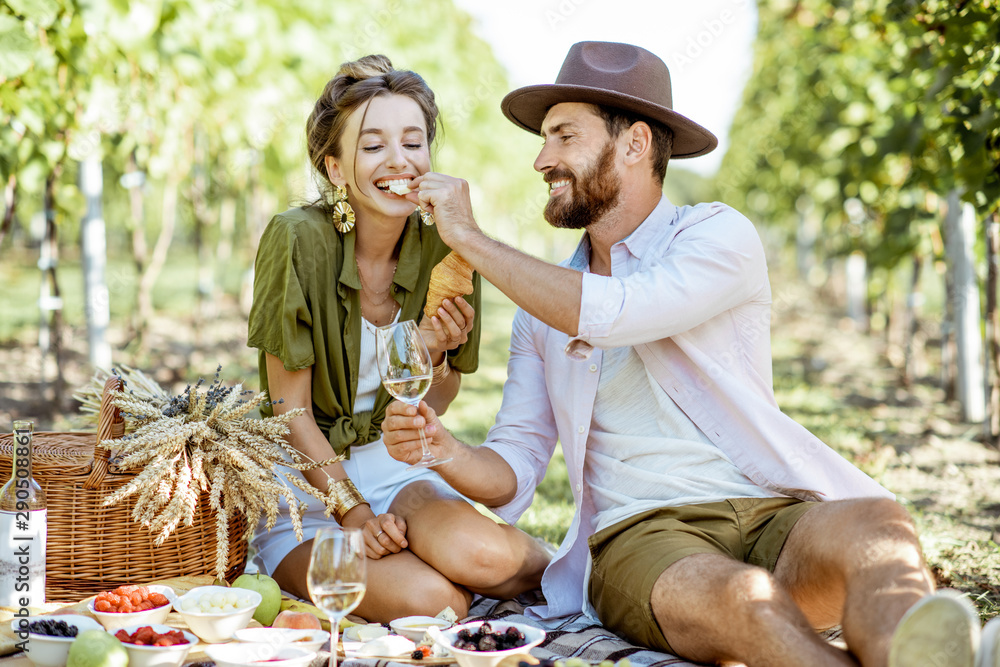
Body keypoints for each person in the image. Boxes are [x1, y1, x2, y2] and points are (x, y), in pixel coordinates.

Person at [382, 41, 1000, 666]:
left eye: (564, 136)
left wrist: (469, 237)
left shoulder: (717, 235)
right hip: (641, 535)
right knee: (744, 600)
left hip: (772, 513)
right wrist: (443, 448)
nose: (542, 159)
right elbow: (515, 466)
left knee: (881, 525)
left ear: (635, 143)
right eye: (543, 139)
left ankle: (915, 653)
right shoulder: (539, 318)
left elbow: (620, 310)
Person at [247, 54, 551, 621]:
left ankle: (581, 565)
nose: (399, 161)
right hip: (306, 489)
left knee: (488, 557)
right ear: (336, 168)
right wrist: (356, 516)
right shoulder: (297, 241)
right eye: (372, 146)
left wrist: (433, 357)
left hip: (395, 467)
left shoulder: (448, 240)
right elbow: (288, 413)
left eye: (413, 142)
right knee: (435, 601)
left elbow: (438, 397)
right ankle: (415, 565)